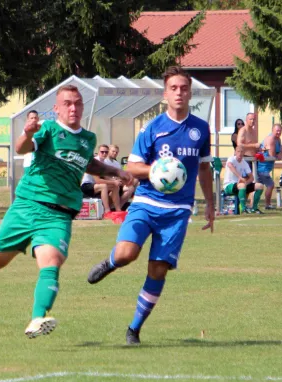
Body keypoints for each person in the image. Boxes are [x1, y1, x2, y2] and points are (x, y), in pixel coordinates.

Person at [0, 85, 132, 339]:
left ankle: (37, 318)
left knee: (51, 262)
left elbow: (87, 161)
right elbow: (22, 148)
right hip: (26, 205)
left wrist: (117, 172)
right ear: (56, 109)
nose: (73, 108)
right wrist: (27, 132)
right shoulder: (48, 129)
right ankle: (27, 243)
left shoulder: (88, 139)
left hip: (58, 214)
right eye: (67, 103)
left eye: (77, 103)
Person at [86, 66, 215, 345]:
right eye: (174, 88)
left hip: (178, 211)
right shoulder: (152, 128)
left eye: (184, 88)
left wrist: (211, 205)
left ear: (190, 92)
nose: (179, 93)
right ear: (165, 94)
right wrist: (156, 169)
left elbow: (204, 170)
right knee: (126, 254)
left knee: (157, 270)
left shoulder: (201, 129)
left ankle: (134, 329)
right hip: (146, 202)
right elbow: (132, 166)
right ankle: (110, 262)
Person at [81, 144, 123, 213]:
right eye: (102, 152)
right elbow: (98, 180)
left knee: (116, 187)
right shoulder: (94, 162)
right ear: (98, 151)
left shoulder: (103, 162)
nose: (104, 154)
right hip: (86, 186)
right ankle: (107, 210)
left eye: (106, 152)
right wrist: (113, 182)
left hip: (95, 186)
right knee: (104, 186)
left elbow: (106, 176)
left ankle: (118, 210)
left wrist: (115, 181)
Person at [224, 146, 263, 214]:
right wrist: (239, 177)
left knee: (260, 186)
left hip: (240, 185)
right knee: (242, 186)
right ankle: (243, 209)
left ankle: (254, 208)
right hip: (229, 185)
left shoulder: (244, 162)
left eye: (242, 152)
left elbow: (251, 178)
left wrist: (246, 183)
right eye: (238, 151)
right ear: (235, 152)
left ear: (244, 153)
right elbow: (230, 165)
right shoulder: (231, 159)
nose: (240, 153)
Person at [257, 123, 282, 209]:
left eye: (280, 130)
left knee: (258, 186)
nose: (278, 132)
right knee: (270, 185)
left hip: (267, 167)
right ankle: (267, 204)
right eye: (277, 130)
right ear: (272, 130)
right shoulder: (271, 139)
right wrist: (277, 155)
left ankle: (253, 205)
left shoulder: (278, 139)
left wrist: (280, 153)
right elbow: (272, 155)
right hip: (262, 167)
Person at [105, 144, 136, 209]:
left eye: (116, 152)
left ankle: (117, 208)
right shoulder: (104, 161)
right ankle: (113, 208)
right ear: (108, 151)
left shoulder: (117, 164)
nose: (115, 153)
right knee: (115, 188)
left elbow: (120, 176)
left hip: (118, 184)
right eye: (113, 151)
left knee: (131, 188)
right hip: (108, 184)